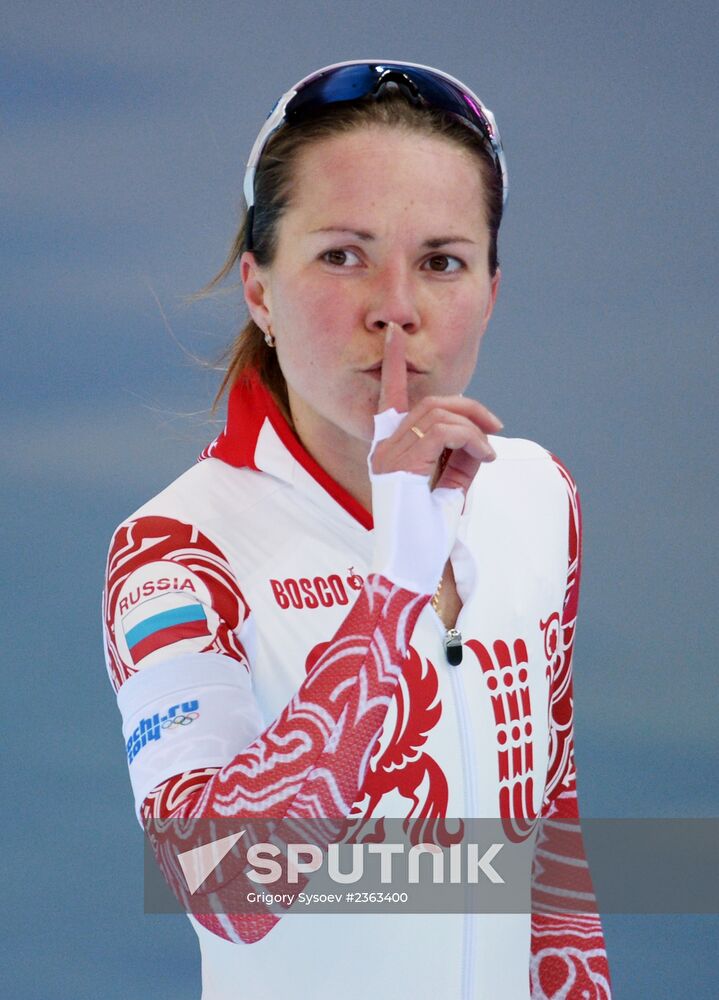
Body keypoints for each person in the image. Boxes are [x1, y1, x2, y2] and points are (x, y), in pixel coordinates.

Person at [103, 60, 612, 999]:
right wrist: (394, 591)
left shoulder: (537, 495)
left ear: (491, 291)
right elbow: (220, 887)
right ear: (258, 289)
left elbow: (549, 851)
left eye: (441, 261)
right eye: (342, 255)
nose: (396, 309)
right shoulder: (176, 551)